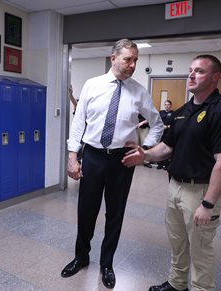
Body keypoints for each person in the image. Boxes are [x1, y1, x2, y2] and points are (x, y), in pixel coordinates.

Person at [122, 54, 221, 291]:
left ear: (215, 77)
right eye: (190, 70)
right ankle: (177, 284)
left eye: (199, 71)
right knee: (178, 243)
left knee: (200, 249)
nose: (192, 75)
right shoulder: (183, 111)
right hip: (175, 187)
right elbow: (167, 147)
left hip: (201, 191)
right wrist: (145, 155)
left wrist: (208, 204)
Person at [62, 39, 163, 289]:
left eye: (136, 60)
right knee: (86, 211)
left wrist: (145, 149)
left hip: (121, 160)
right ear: (113, 58)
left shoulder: (139, 91)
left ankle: (106, 263)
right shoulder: (92, 85)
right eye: (128, 59)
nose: (132, 65)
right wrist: (72, 155)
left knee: (115, 214)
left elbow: (157, 123)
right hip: (94, 156)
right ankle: (81, 257)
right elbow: (79, 122)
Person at [157, 100, 174, 170]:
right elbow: (157, 121)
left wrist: (168, 127)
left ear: (171, 106)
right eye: (165, 104)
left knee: (167, 148)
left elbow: (175, 123)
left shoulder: (174, 113)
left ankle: (166, 164)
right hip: (161, 133)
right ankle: (160, 164)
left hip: (169, 133)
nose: (167, 106)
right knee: (160, 148)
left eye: (168, 104)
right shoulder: (161, 112)